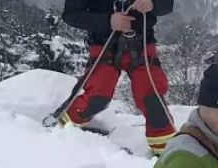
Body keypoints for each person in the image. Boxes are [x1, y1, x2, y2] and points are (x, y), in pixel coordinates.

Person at [61, 0, 176, 155]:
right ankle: (63, 129)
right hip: (104, 44)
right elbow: (71, 14)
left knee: (151, 98)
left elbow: (166, 4)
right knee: (97, 97)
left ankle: (167, 151)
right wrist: (108, 21)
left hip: (140, 42)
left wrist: (152, 4)